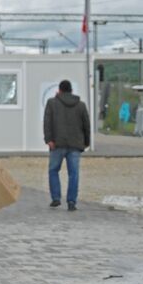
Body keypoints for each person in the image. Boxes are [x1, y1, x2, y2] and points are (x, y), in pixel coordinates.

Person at [44, 79, 90, 211]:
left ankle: (56, 198)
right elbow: (86, 125)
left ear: (59, 90)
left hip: (57, 144)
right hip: (75, 145)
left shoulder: (51, 103)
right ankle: (71, 201)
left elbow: (47, 123)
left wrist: (49, 140)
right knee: (73, 174)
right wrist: (86, 142)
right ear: (71, 90)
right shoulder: (81, 105)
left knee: (53, 171)